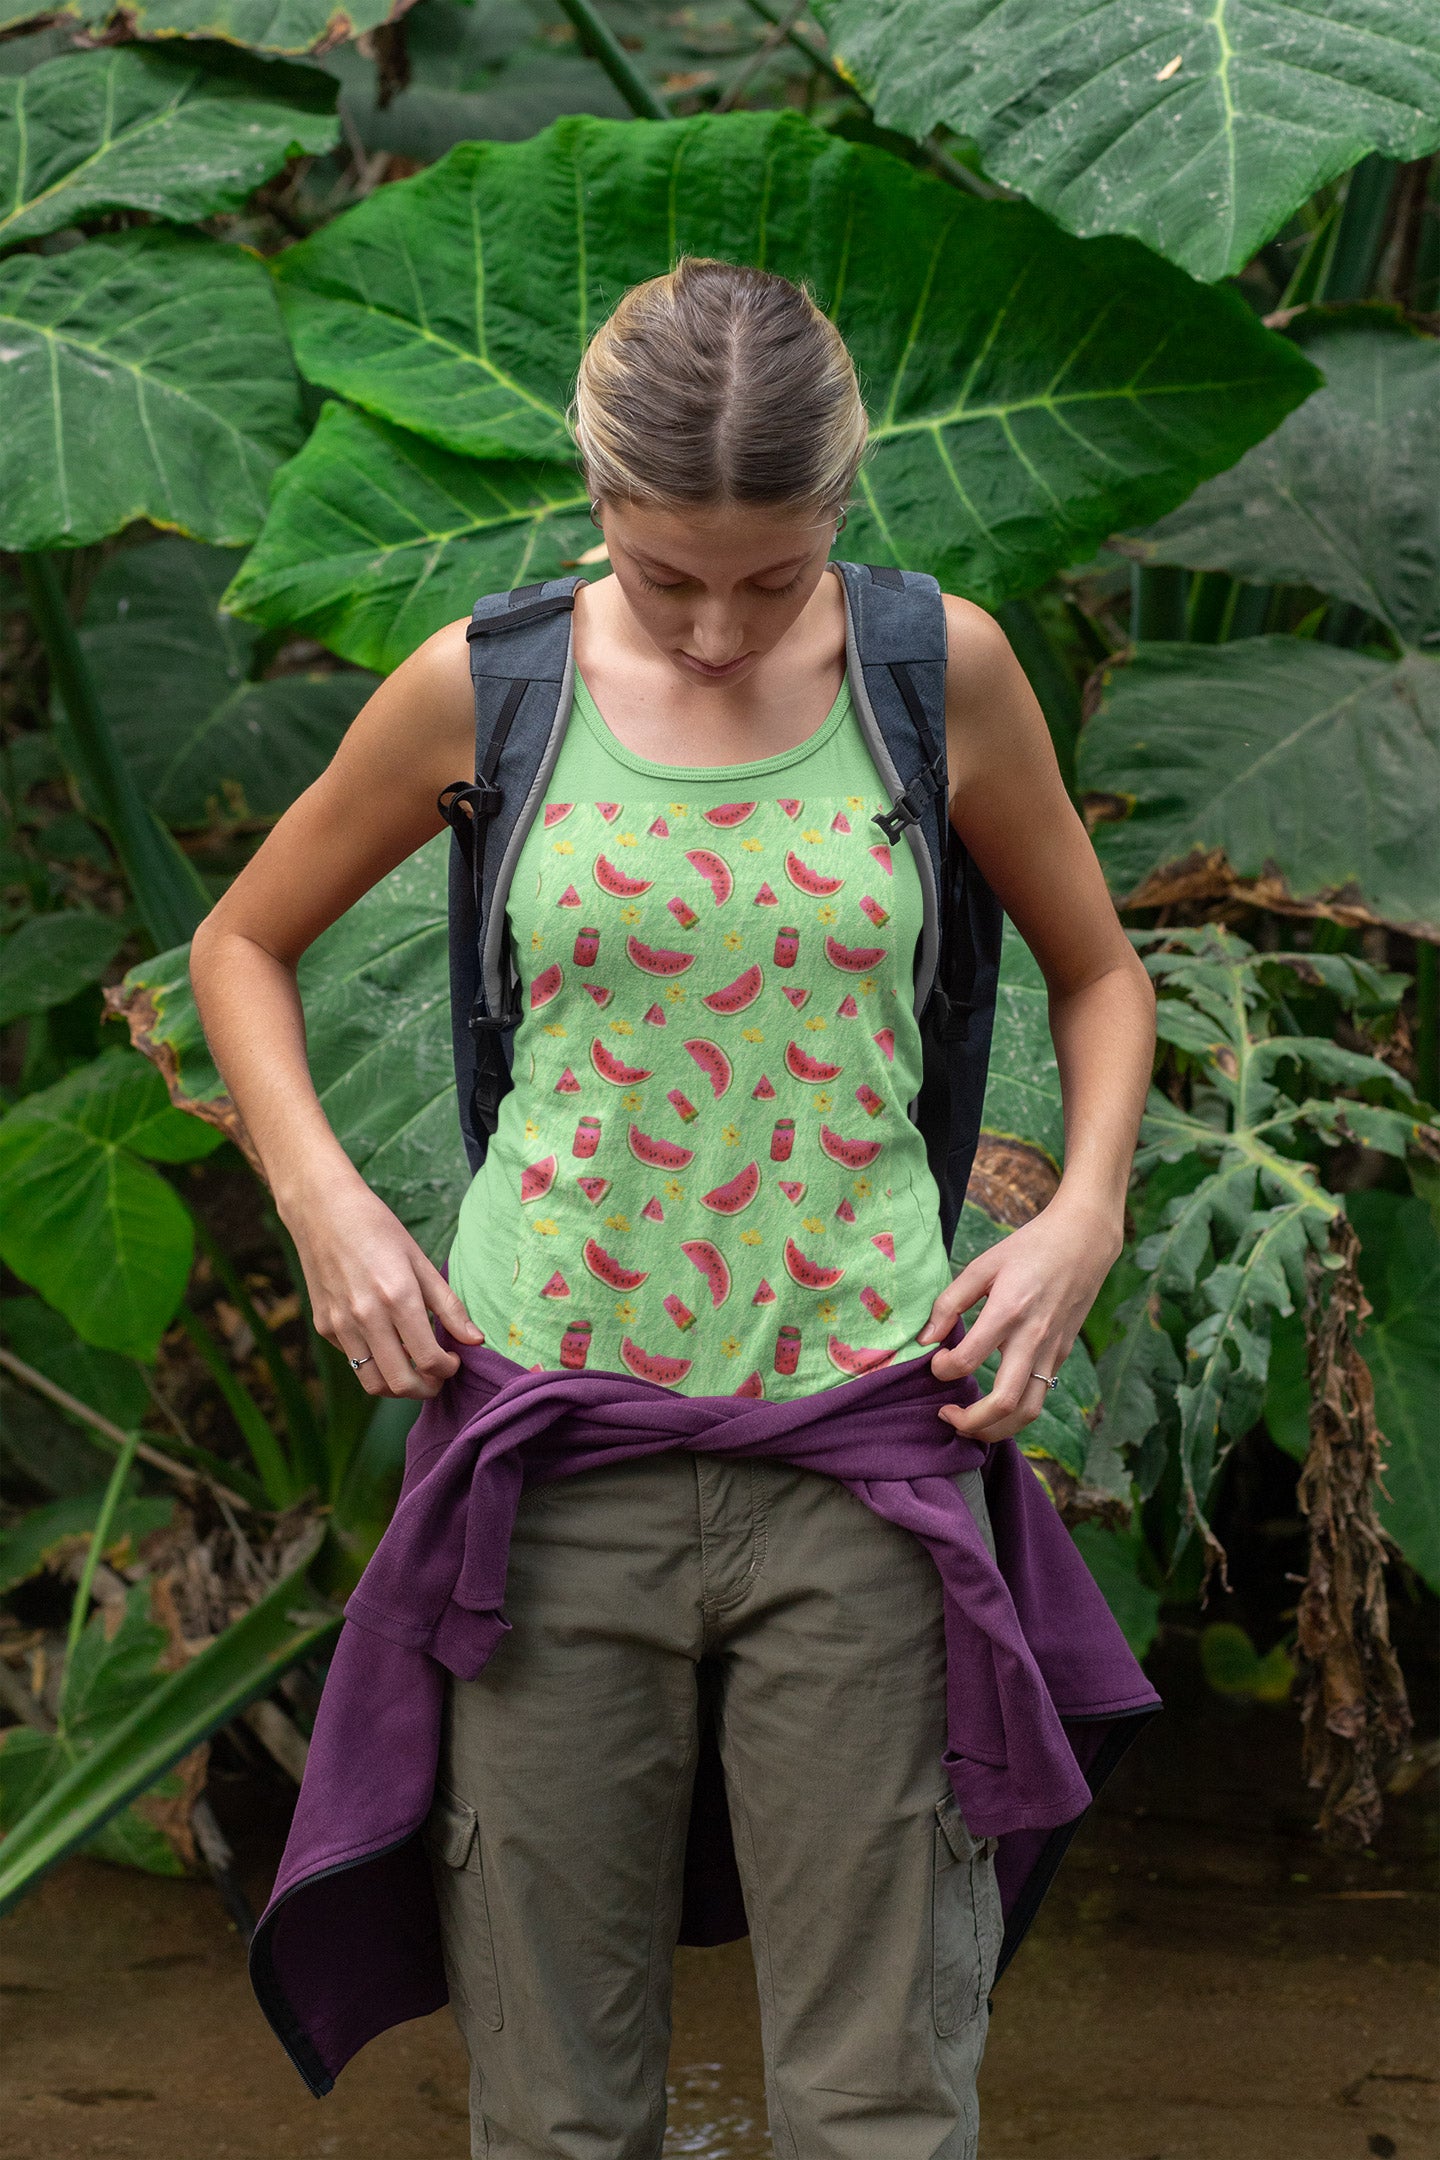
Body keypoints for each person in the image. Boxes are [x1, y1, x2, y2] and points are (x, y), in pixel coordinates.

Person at [191, 257, 1156, 2160]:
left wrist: (1083, 1215)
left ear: (840, 515)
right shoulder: (489, 686)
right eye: (664, 578)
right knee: (556, 2111)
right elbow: (242, 942)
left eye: (772, 578)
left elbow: (1100, 975)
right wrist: (324, 1204)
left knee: (877, 2101)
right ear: (595, 502)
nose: (718, 629)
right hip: (551, 1464)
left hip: (870, 1451)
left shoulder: (930, 668)